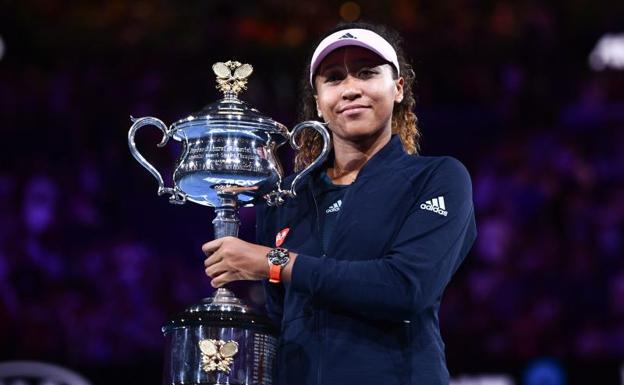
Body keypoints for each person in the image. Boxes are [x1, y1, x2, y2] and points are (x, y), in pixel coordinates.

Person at [203, 22, 477, 385]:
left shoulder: (437, 178)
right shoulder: (285, 198)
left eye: (366, 73)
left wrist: (274, 261)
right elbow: (284, 320)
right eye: (333, 78)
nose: (350, 89)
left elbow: (406, 288)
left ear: (398, 89)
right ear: (318, 102)